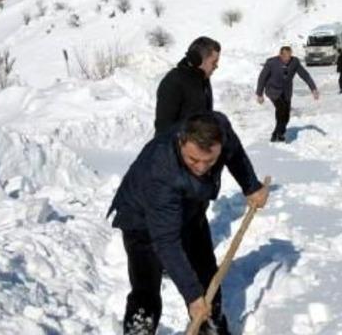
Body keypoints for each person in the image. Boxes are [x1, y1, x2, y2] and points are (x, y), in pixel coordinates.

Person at [108, 112, 269, 335]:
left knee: (207, 280)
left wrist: (251, 186)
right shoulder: (160, 171)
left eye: (210, 161)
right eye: (193, 160)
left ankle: (209, 328)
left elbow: (235, 154)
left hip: (191, 211)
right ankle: (139, 329)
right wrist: (192, 296)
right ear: (181, 140)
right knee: (146, 287)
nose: (202, 168)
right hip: (141, 220)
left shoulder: (220, 130)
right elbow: (166, 241)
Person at [155, 37, 220, 135]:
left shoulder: (203, 80)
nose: (216, 66)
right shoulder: (173, 82)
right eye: (214, 62)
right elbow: (163, 130)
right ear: (198, 60)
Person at [255, 46, 319, 142]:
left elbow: (304, 75)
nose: (287, 59)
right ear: (280, 55)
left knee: (286, 115)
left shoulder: (295, 62)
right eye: (285, 56)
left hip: (286, 91)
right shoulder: (271, 63)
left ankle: (277, 133)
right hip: (273, 90)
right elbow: (262, 78)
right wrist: (259, 94)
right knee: (281, 109)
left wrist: (313, 88)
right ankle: (279, 134)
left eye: (289, 56)